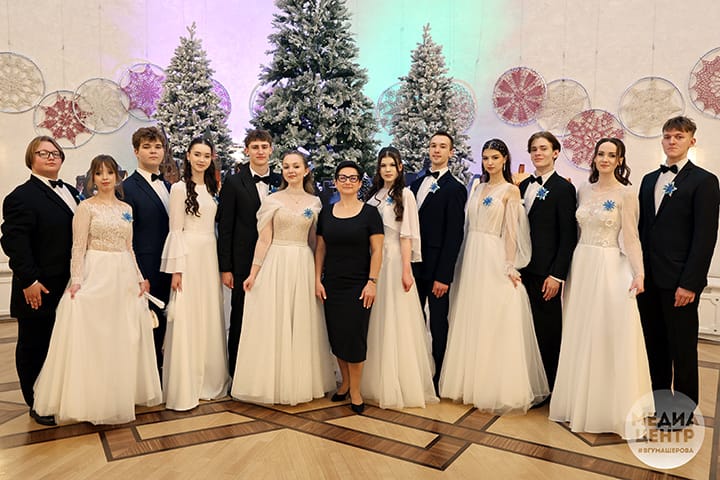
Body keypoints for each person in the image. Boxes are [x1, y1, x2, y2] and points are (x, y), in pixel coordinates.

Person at [33, 155, 162, 425]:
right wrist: (77, 280)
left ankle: (119, 393)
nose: (105, 178)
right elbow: (78, 246)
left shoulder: (126, 208)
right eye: (99, 173)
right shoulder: (86, 208)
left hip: (123, 275)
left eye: (110, 173)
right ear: (93, 177)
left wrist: (140, 278)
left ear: (117, 176)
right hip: (97, 271)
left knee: (122, 335)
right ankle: (92, 398)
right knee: (97, 334)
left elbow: (129, 247)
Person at [550, 138, 654, 438]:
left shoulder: (627, 194)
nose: (605, 159)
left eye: (612, 155)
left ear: (620, 160)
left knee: (605, 332)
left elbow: (631, 237)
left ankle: (607, 406)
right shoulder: (583, 189)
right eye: (601, 154)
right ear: (594, 158)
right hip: (581, 264)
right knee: (579, 331)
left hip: (608, 265)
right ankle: (576, 401)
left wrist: (639, 273)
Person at [440, 139, 548, 413]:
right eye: (486, 157)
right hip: (471, 255)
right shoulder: (477, 186)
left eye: (495, 158)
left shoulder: (511, 190)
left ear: (504, 159)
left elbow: (511, 232)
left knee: (493, 315)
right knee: (471, 315)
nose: (489, 162)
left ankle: (493, 386)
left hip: (493, 255)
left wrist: (510, 265)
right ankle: (468, 383)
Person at [232, 151, 335, 405]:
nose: (291, 171)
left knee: (300, 321)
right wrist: (253, 273)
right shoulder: (272, 200)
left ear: (306, 170)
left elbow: (315, 242)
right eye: (286, 166)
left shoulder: (315, 202)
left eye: (296, 166)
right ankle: (272, 383)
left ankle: (298, 382)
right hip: (276, 263)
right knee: (275, 321)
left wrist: (318, 275)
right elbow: (264, 239)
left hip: (302, 264)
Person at [637, 116, 720, 418]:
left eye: (679, 136)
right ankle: (660, 406)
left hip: (679, 282)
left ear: (691, 141)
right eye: (667, 136)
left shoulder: (705, 181)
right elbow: (642, 230)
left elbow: (705, 237)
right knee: (654, 346)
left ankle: (683, 412)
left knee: (682, 350)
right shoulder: (648, 180)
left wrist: (690, 283)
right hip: (648, 280)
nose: (672, 141)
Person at [1, 136, 79, 426]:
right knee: (35, 345)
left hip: (69, 284)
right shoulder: (20, 196)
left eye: (55, 152)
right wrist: (29, 280)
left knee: (60, 343)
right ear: (30, 159)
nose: (50, 157)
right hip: (39, 286)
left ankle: (58, 395)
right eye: (43, 153)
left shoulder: (72, 192)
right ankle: (36, 402)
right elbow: (14, 242)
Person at [362, 147, 438, 409]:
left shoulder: (405, 195)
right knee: (375, 319)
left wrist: (406, 269)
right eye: (383, 165)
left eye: (391, 165)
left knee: (395, 318)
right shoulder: (373, 196)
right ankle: (371, 378)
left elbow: (406, 236)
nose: (387, 170)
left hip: (394, 261)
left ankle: (397, 381)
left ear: (400, 168)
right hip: (373, 260)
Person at [160, 138, 228, 411]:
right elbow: (175, 229)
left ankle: (210, 380)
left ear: (212, 159)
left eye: (206, 155)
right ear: (188, 156)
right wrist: (176, 270)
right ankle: (187, 383)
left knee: (209, 313)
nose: (201, 160)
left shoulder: (213, 187)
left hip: (209, 254)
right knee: (188, 314)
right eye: (197, 154)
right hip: (188, 255)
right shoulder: (178, 189)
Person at [315, 160, 384, 414]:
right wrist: (317, 279)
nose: (347, 182)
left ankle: (355, 390)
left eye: (352, 178)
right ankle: (344, 383)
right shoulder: (326, 213)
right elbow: (320, 249)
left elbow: (377, 250)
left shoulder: (370, 213)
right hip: (332, 284)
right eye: (342, 178)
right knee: (337, 336)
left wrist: (372, 282)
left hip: (359, 286)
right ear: (335, 182)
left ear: (359, 182)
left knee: (355, 338)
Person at [218, 129, 282, 376]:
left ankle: (266, 371)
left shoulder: (281, 181)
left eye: (264, 146)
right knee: (241, 315)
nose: (260, 151)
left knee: (270, 314)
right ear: (247, 150)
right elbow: (225, 227)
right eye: (255, 147)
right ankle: (237, 373)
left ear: (271, 149)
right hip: (243, 261)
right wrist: (226, 268)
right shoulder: (234, 182)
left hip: (276, 259)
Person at [518, 131, 577, 394]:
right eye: (534, 149)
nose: (538, 153)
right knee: (523, 329)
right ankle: (528, 383)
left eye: (543, 148)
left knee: (547, 331)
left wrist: (557, 275)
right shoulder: (521, 187)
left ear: (555, 153)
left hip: (546, 273)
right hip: (521, 270)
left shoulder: (564, 189)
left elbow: (568, 236)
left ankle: (551, 388)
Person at [409, 132, 467, 391]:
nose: (437, 150)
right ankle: (417, 371)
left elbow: (454, 235)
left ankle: (440, 375)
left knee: (438, 322)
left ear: (451, 152)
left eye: (443, 146)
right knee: (413, 319)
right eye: (433, 145)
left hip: (436, 269)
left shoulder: (455, 188)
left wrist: (444, 276)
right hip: (414, 265)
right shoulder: (414, 184)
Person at [123, 127, 172, 374]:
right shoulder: (127, 188)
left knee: (164, 323)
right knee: (146, 326)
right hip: (146, 269)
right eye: (147, 147)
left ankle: (161, 374)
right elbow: (126, 236)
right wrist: (138, 273)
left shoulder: (170, 187)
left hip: (169, 267)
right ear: (136, 151)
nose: (153, 151)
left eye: (158, 147)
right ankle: (146, 377)